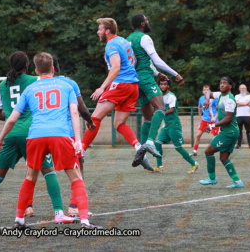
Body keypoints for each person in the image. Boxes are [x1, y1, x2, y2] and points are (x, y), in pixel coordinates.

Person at [0, 52, 100, 229]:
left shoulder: (30, 89)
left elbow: (11, 118)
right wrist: (78, 140)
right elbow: (75, 113)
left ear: (36, 71)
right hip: (60, 134)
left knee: (30, 177)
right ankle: (84, 221)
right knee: (75, 177)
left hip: (36, 136)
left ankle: (19, 220)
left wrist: (0, 139)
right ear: (53, 68)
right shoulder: (66, 85)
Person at [0, 51, 72, 224]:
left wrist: (13, 119)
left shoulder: (2, 85)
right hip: (33, 134)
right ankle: (58, 213)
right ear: (27, 66)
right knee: (48, 171)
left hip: (10, 134)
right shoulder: (35, 81)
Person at [81, 18, 147, 167]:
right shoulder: (123, 41)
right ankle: (138, 147)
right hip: (133, 87)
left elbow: (116, 67)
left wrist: (102, 87)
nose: (98, 32)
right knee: (118, 123)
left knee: (93, 120)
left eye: (100, 29)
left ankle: (80, 153)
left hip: (121, 86)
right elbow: (134, 60)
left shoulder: (111, 45)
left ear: (107, 31)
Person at [127, 14, 184, 159]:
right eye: (146, 20)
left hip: (134, 81)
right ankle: (151, 142)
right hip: (145, 78)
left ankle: (141, 152)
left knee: (148, 118)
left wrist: (157, 74)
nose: (148, 21)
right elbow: (156, 60)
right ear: (142, 24)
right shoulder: (144, 38)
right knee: (161, 108)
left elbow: (136, 61)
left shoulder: (127, 40)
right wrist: (175, 73)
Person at [199, 77, 244, 188]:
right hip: (229, 132)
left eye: (225, 83)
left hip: (229, 133)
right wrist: (206, 99)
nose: (222, 85)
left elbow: (228, 118)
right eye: (221, 83)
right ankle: (238, 182)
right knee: (223, 158)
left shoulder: (230, 99)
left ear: (230, 86)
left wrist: (212, 125)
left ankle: (212, 179)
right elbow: (208, 93)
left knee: (208, 151)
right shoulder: (220, 95)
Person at [153, 79, 199, 173]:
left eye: (165, 84)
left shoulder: (171, 96)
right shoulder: (159, 97)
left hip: (174, 125)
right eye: (161, 84)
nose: (163, 86)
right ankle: (159, 166)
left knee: (178, 147)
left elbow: (172, 109)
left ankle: (194, 164)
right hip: (166, 125)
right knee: (157, 143)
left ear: (168, 86)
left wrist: (160, 113)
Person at [190, 85, 219, 156]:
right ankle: (195, 151)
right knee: (198, 135)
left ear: (210, 91)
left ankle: (212, 151)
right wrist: (200, 117)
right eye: (204, 90)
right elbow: (199, 107)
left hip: (213, 121)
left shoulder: (214, 99)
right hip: (204, 120)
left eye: (207, 89)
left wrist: (215, 117)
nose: (206, 91)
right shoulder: (201, 98)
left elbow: (219, 109)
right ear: (203, 92)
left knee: (215, 137)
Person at [235, 84, 250, 149]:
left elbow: (242, 103)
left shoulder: (249, 96)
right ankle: (238, 145)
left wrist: (240, 104)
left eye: (244, 88)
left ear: (246, 89)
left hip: (246, 116)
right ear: (239, 89)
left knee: (248, 131)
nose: (243, 89)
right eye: (241, 88)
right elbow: (237, 103)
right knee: (239, 132)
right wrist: (246, 104)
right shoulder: (236, 96)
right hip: (238, 116)